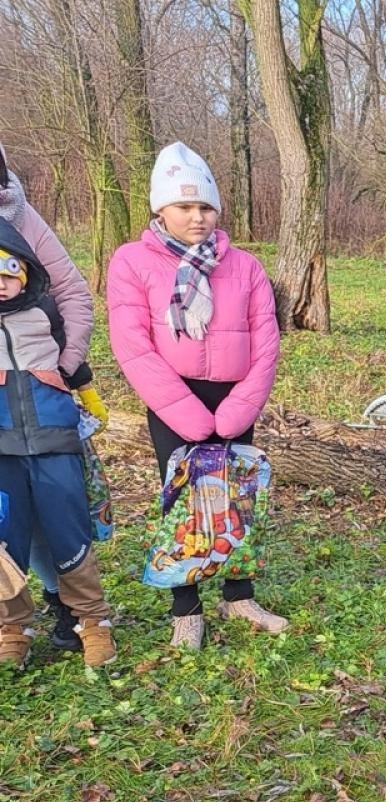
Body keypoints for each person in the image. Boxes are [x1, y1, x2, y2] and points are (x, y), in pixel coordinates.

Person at [107, 141, 284, 651]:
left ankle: (238, 593)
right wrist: (184, 412)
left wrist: (240, 407)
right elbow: (132, 343)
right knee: (182, 501)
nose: (197, 217)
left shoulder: (245, 266)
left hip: (234, 399)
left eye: (205, 206)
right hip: (173, 399)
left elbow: (266, 339)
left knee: (238, 498)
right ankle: (186, 606)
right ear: (160, 208)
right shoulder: (132, 261)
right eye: (184, 206)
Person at [0, 221, 116, 668]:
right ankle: (14, 629)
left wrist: (83, 394)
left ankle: (94, 623)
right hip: (2, 452)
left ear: (26, 272)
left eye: (10, 274)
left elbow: (77, 363)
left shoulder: (45, 312)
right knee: (6, 542)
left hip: (56, 441)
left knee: (70, 531)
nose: (3, 285)